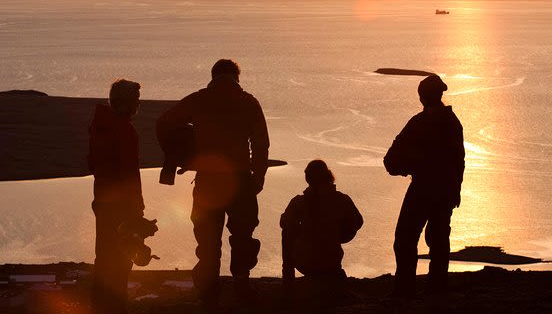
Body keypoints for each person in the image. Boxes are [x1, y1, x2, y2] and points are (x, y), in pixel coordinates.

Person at [156, 59, 270, 307]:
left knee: (207, 238)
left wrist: (177, 153)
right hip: (240, 179)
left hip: (208, 180)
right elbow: (261, 143)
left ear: (213, 76)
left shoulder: (199, 99)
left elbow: (164, 122)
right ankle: (241, 284)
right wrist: (258, 177)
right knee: (242, 235)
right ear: (236, 77)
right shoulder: (248, 102)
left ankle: (209, 292)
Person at [383, 74, 465, 298]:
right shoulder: (451, 123)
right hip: (444, 189)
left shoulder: (419, 123)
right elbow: (459, 160)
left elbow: (390, 161)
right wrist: (455, 189)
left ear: (422, 97)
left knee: (406, 239)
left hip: (423, 188)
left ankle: (406, 290)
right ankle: (435, 290)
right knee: (436, 240)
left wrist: (409, 166)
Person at [88, 79, 144, 314]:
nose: (139, 103)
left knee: (104, 256)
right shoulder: (124, 130)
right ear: (128, 103)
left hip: (101, 200)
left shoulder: (101, 126)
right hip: (121, 205)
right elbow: (130, 173)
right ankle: (114, 306)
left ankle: (99, 305)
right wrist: (138, 208)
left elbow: (92, 163)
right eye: (136, 99)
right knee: (121, 260)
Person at [280, 160, 363, 284]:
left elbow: (284, 223)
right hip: (332, 263)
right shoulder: (342, 200)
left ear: (308, 178)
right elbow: (358, 222)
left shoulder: (298, 203)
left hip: (305, 263)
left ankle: (288, 276)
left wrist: (302, 230)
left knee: (287, 231)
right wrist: (338, 235)